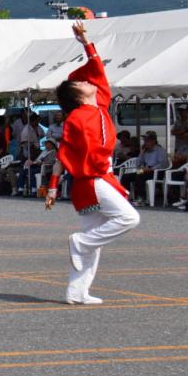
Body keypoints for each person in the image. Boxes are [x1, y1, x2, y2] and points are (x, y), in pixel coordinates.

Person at [45, 21, 140, 305]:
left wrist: (85, 42)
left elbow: (97, 71)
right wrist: (52, 186)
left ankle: (76, 292)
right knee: (128, 218)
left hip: (96, 181)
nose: (90, 83)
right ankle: (80, 243)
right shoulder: (76, 118)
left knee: (93, 241)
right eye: (82, 83)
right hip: (93, 180)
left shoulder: (98, 107)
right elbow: (64, 154)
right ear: (77, 95)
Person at [119, 131, 168, 203]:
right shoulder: (145, 151)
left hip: (156, 171)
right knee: (127, 176)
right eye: (145, 141)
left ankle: (141, 198)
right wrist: (141, 153)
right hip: (145, 170)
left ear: (153, 141)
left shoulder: (160, 150)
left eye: (147, 141)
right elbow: (137, 164)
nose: (145, 142)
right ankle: (126, 196)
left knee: (140, 176)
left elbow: (163, 164)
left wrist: (151, 169)